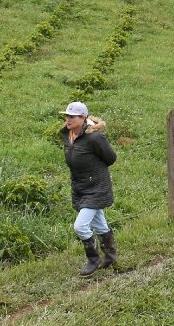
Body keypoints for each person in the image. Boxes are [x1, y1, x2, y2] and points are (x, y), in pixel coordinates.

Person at [59, 101, 117, 276]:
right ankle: (111, 255)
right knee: (99, 223)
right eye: (66, 116)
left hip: (96, 187)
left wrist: (94, 174)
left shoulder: (94, 138)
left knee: (80, 226)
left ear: (83, 118)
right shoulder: (67, 135)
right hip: (80, 186)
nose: (67, 119)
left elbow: (111, 158)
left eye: (72, 116)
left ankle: (93, 259)